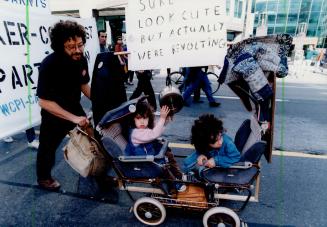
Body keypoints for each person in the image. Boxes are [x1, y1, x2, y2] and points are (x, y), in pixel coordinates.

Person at [36, 20, 91, 191]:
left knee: (92, 139)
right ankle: (44, 178)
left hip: (74, 106)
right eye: (71, 47)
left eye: (80, 45)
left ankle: (95, 170)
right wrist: (74, 118)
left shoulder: (81, 60)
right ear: (60, 47)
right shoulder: (49, 65)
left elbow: (83, 85)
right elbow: (43, 101)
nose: (77, 50)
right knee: (47, 148)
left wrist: (103, 101)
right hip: (54, 112)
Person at [124, 101, 186, 192]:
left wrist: (165, 117)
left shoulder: (142, 128)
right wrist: (162, 118)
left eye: (145, 118)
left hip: (150, 158)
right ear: (133, 119)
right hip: (142, 164)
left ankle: (179, 175)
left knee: (168, 154)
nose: (142, 121)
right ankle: (175, 183)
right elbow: (153, 134)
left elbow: (155, 126)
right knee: (162, 167)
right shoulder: (135, 133)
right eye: (138, 118)